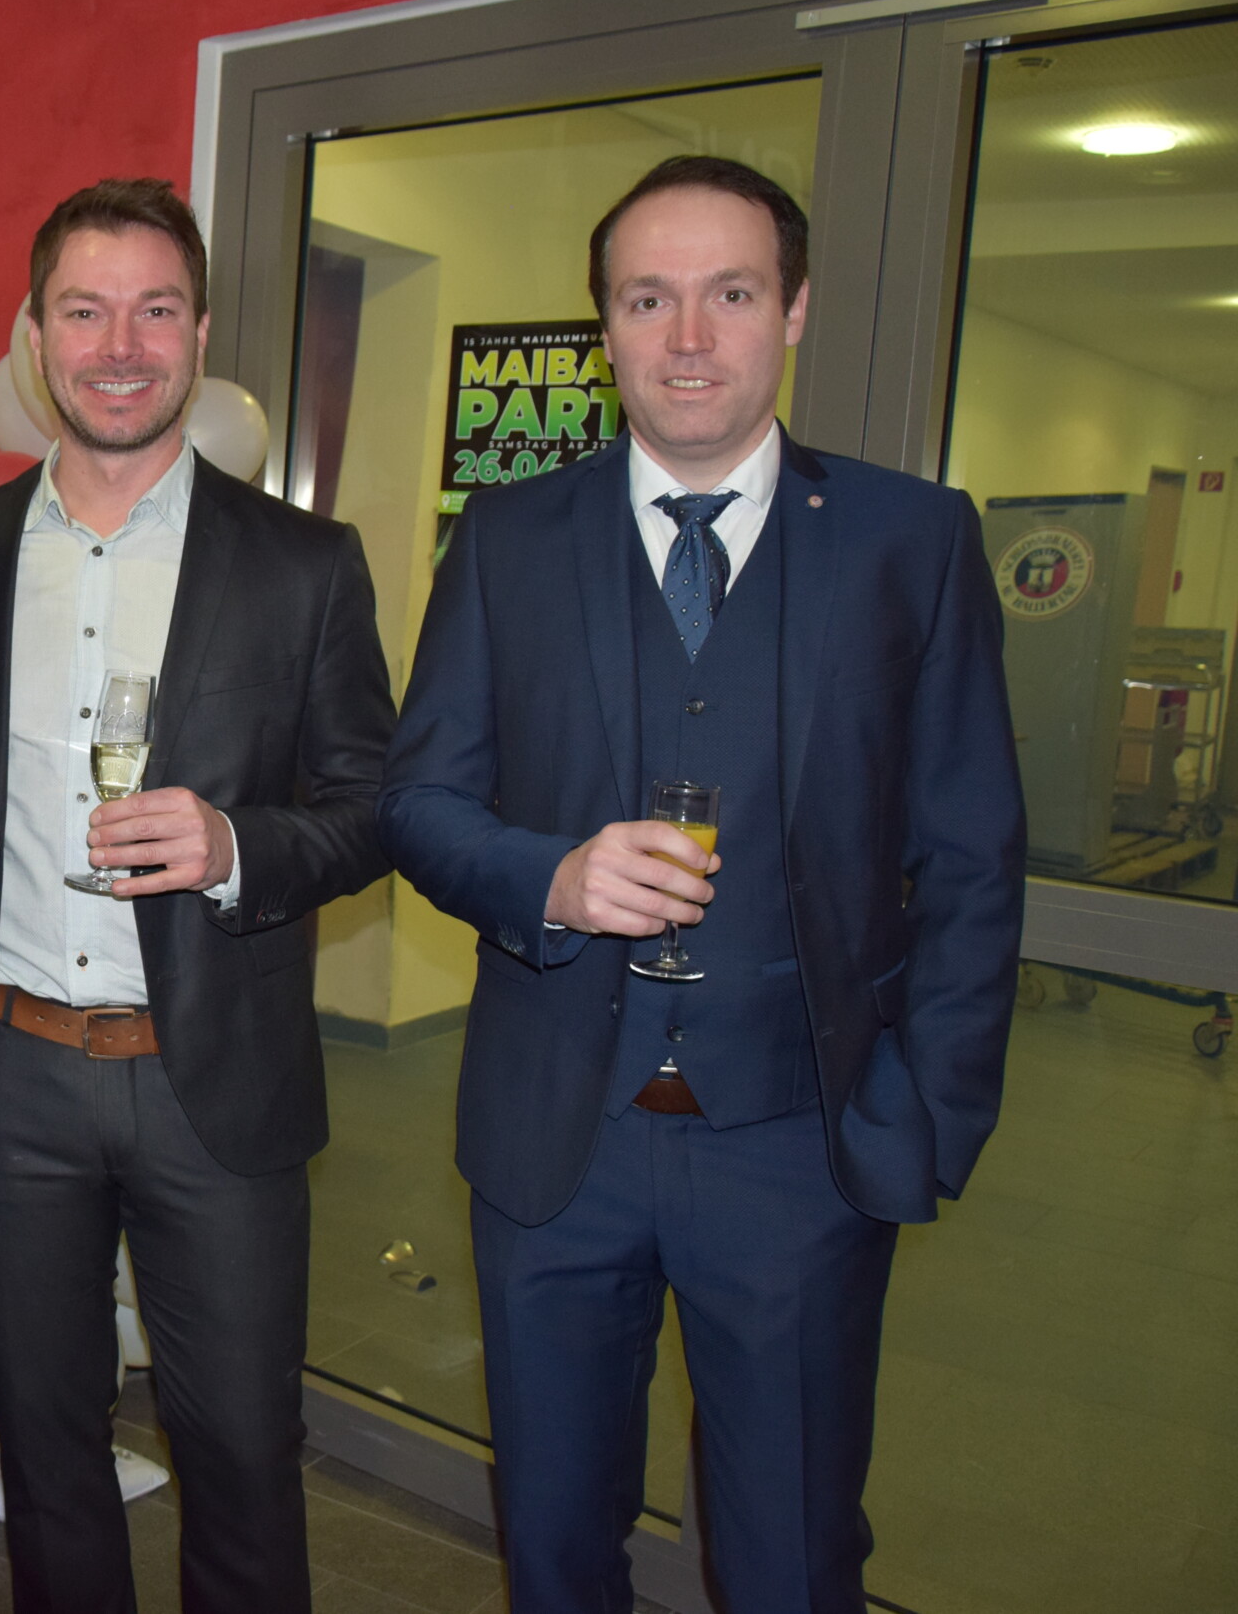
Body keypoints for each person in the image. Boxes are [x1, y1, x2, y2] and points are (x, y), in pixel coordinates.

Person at [379, 155, 1026, 1613]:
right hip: (556, 1145)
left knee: (791, 1559)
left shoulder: (911, 541)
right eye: (646, 299)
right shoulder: (508, 538)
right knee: (554, 1547)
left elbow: (973, 853)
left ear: (791, 310)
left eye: (729, 294)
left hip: (802, 1147)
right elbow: (417, 802)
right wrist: (551, 877)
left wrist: (923, 1113)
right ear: (605, 326)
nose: (687, 337)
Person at [0, 179, 395, 1614]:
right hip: (5, 1078)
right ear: (35, 337)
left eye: (155, 310)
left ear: (197, 331)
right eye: (85, 311)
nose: (119, 346)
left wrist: (238, 843)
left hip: (216, 1089)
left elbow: (375, 809)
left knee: (243, 1455)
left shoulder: (303, 565)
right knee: (46, 1456)